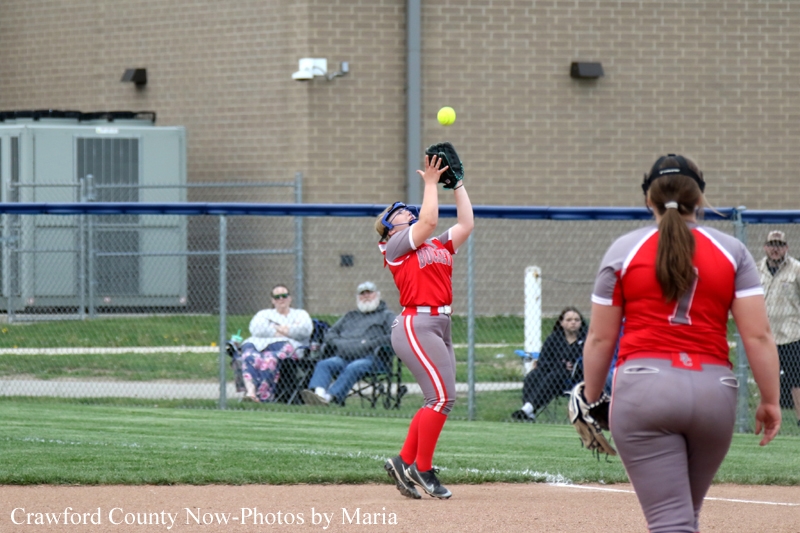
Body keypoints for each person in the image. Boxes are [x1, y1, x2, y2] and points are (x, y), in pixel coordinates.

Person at [581, 154, 781, 533]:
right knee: (684, 518)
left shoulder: (624, 249)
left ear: (648, 200)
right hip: (714, 392)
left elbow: (600, 337)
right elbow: (757, 335)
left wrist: (592, 398)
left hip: (644, 388)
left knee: (671, 522)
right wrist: (770, 401)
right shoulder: (732, 250)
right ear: (700, 199)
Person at [378, 153, 474, 500]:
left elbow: (465, 225)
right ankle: (423, 468)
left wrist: (457, 185)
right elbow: (430, 220)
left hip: (440, 322)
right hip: (415, 322)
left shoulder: (434, 244)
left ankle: (403, 460)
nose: (406, 209)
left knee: (441, 399)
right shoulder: (395, 244)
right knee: (441, 398)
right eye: (399, 210)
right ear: (390, 226)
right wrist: (430, 184)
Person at [301, 281, 395, 406]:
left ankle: (328, 398)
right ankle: (318, 395)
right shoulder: (350, 316)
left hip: (373, 359)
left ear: (377, 295)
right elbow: (330, 333)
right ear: (357, 297)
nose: (366, 296)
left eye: (369, 293)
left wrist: (370, 344)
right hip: (344, 357)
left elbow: (396, 335)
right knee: (325, 364)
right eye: (362, 294)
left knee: (354, 367)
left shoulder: (387, 316)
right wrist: (341, 343)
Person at [237, 284, 313, 402]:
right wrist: (287, 329)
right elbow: (256, 329)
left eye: (284, 296)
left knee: (270, 359)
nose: (281, 299)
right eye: (277, 297)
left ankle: (262, 397)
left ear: (289, 298)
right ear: (273, 300)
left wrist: (274, 327)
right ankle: (251, 393)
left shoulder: (301, 314)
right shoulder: (263, 314)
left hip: (288, 349)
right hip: (259, 346)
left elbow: (304, 331)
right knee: (249, 357)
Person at [511, 307, 587, 422]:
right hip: (551, 373)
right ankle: (530, 413)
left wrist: (569, 367)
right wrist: (560, 365)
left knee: (557, 375)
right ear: (561, 323)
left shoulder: (586, 340)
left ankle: (528, 409)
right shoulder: (554, 338)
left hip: (575, 378)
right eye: (569, 320)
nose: (573, 322)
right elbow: (543, 361)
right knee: (532, 376)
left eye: (577, 320)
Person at [757, 229, 800, 425]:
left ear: (786, 248)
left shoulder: (796, 269)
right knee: (766, 381)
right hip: (765, 336)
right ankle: (767, 421)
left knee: (796, 381)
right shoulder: (757, 270)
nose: (776, 249)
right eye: (772, 245)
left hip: (791, 334)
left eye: (780, 245)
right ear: (765, 247)